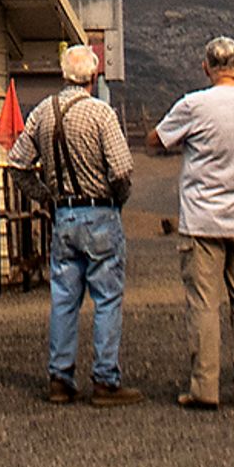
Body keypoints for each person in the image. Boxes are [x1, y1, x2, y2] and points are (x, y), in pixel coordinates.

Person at [149, 35, 234, 409]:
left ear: (205, 67)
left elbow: (157, 140)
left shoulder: (193, 105)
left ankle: (204, 386)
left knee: (204, 304)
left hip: (202, 222)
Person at [14, 43, 137, 405]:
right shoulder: (101, 113)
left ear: (63, 74)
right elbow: (122, 168)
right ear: (93, 76)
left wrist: (46, 196)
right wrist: (118, 199)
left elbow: (17, 163)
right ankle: (105, 379)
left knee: (64, 298)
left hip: (63, 214)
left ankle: (60, 377)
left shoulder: (42, 112)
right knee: (107, 298)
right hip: (100, 211)